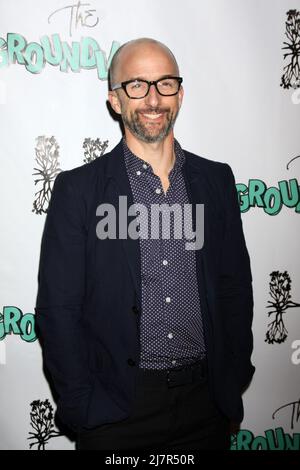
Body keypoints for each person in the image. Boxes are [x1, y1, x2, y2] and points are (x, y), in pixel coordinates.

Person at [35, 37, 255, 451]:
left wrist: (233, 374)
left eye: (165, 83)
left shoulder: (217, 181)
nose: (153, 98)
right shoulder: (78, 191)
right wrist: (83, 404)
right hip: (116, 411)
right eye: (136, 85)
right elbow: (58, 311)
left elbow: (234, 288)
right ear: (115, 100)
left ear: (180, 93)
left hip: (206, 405)